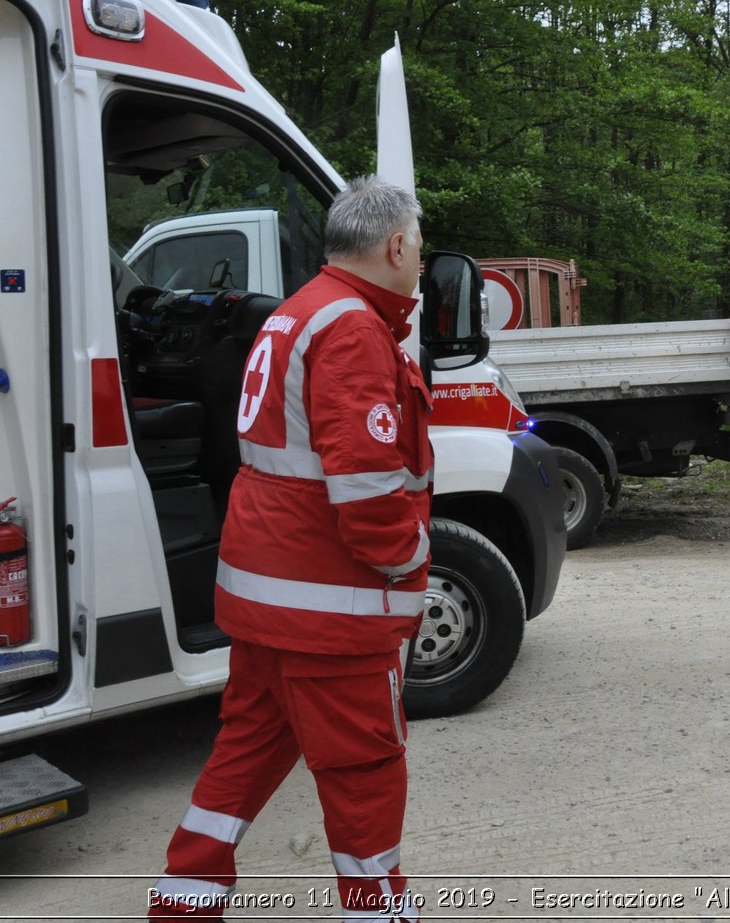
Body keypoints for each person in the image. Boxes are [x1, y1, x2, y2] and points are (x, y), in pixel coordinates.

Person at [149, 177, 432, 921]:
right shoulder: (355, 328)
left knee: (241, 760)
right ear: (395, 245)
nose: (420, 262)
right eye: (419, 247)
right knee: (365, 778)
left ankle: (182, 901)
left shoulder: (298, 312)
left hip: (270, 603)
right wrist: (410, 560)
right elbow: (369, 493)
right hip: (330, 618)